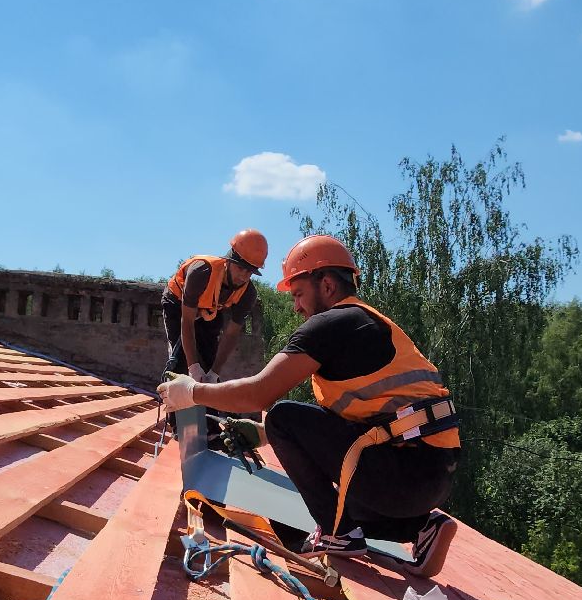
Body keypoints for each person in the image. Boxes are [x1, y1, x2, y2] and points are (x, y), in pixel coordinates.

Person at [158, 234, 460, 577]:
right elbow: (356, 423)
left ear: (327, 285)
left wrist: (192, 391)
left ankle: (339, 534)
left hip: (402, 473)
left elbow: (260, 393)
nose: (297, 307)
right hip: (428, 476)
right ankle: (420, 528)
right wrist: (261, 434)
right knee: (312, 514)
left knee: (283, 416)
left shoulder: (331, 324)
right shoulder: (366, 322)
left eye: (299, 294)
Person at [162, 229, 266, 382]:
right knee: (181, 365)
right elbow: (187, 321)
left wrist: (214, 373)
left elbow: (230, 335)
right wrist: (193, 368)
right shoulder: (201, 272)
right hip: (178, 305)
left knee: (209, 362)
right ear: (229, 260)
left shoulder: (248, 294)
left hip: (210, 310)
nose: (243, 276)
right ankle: (176, 397)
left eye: (249, 271)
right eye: (240, 268)